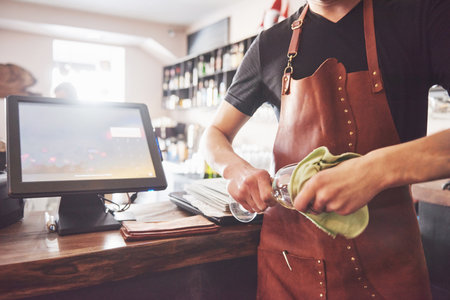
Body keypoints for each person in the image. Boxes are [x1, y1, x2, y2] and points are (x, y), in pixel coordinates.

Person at [200, 0, 450, 299]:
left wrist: (376, 169)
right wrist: (236, 170)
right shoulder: (270, 44)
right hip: (290, 266)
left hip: (391, 269)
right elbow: (214, 134)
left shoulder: (423, 16)